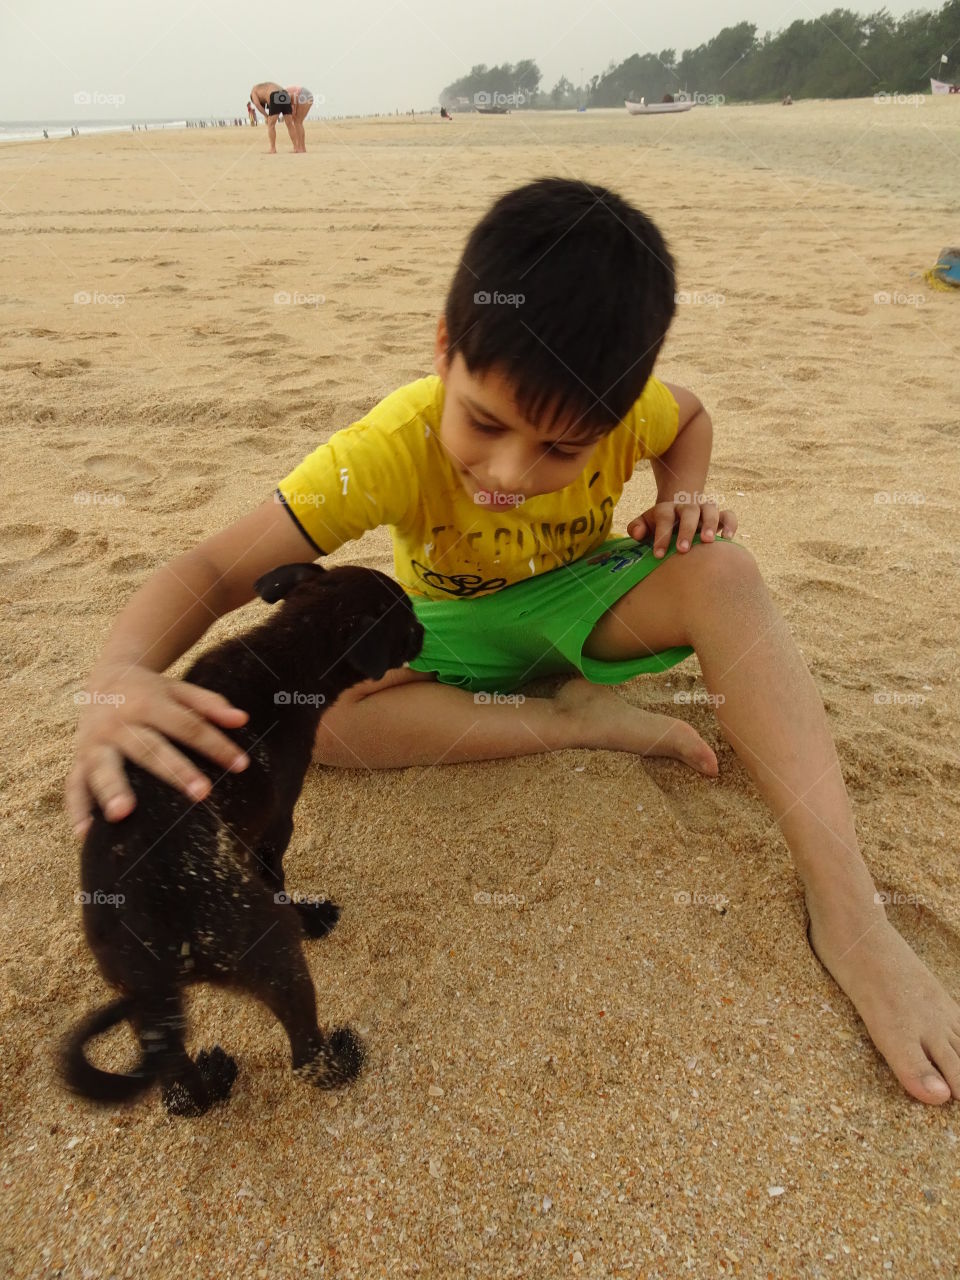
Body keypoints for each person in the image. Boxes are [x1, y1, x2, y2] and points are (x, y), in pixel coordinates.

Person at [67, 177, 960, 1108]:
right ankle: (575, 720)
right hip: (449, 632)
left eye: (561, 451)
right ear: (447, 347)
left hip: (584, 600)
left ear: (614, 415)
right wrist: (119, 675)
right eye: (485, 424)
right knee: (314, 723)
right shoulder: (390, 445)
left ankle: (852, 914)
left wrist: (683, 493)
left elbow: (688, 418)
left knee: (727, 571)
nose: (507, 473)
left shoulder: (635, 406)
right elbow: (212, 570)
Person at [249, 81, 297, 153]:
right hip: (285, 94)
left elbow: (257, 104)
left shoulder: (253, 91)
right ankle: (296, 147)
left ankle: (273, 149)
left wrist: (266, 116)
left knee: (271, 125)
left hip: (275, 95)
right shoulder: (264, 87)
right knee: (290, 124)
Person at [286, 85, 315, 152]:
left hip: (303, 94)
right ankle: (302, 147)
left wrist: (295, 109)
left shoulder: (281, 94)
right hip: (307, 95)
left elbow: (294, 96)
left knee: (297, 122)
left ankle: (300, 148)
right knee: (298, 122)